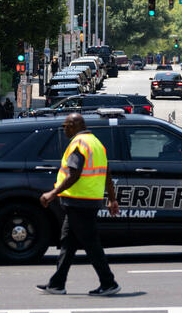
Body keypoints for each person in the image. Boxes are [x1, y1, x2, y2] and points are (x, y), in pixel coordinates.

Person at [37, 113, 121, 296]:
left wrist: (52, 193)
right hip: (87, 200)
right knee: (68, 242)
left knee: (91, 244)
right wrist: (112, 199)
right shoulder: (96, 143)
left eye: (66, 125)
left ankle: (109, 283)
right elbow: (107, 173)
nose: (64, 129)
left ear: (75, 125)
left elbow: (73, 174)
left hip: (79, 202)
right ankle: (57, 283)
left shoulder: (79, 144)